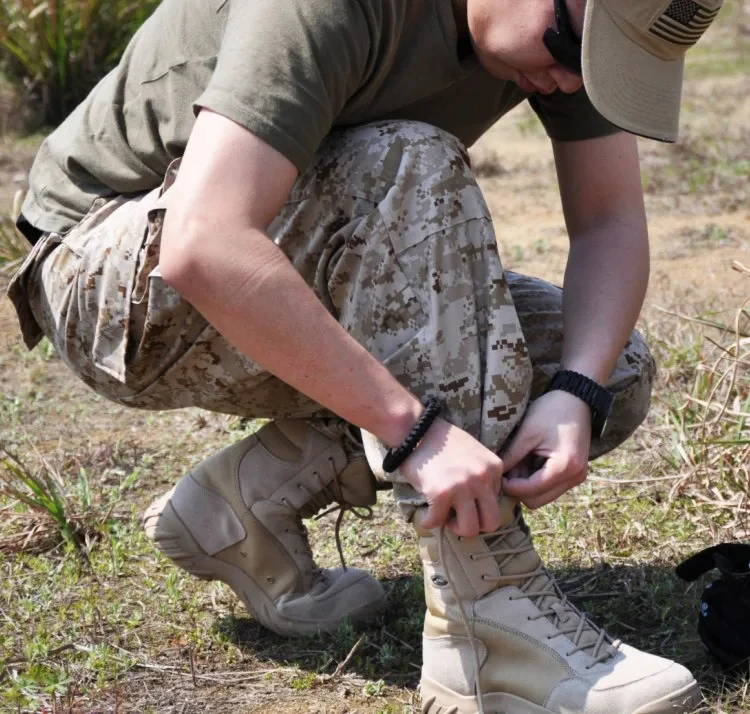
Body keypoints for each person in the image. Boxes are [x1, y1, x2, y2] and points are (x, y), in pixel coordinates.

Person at [7, 0, 724, 711]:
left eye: (604, 69)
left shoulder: (552, 42)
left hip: (273, 247)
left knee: (609, 367)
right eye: (575, 48)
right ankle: (488, 624)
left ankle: (246, 502)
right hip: (106, 274)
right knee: (407, 157)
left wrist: (574, 390)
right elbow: (205, 243)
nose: (574, 80)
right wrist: (415, 430)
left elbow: (609, 222)